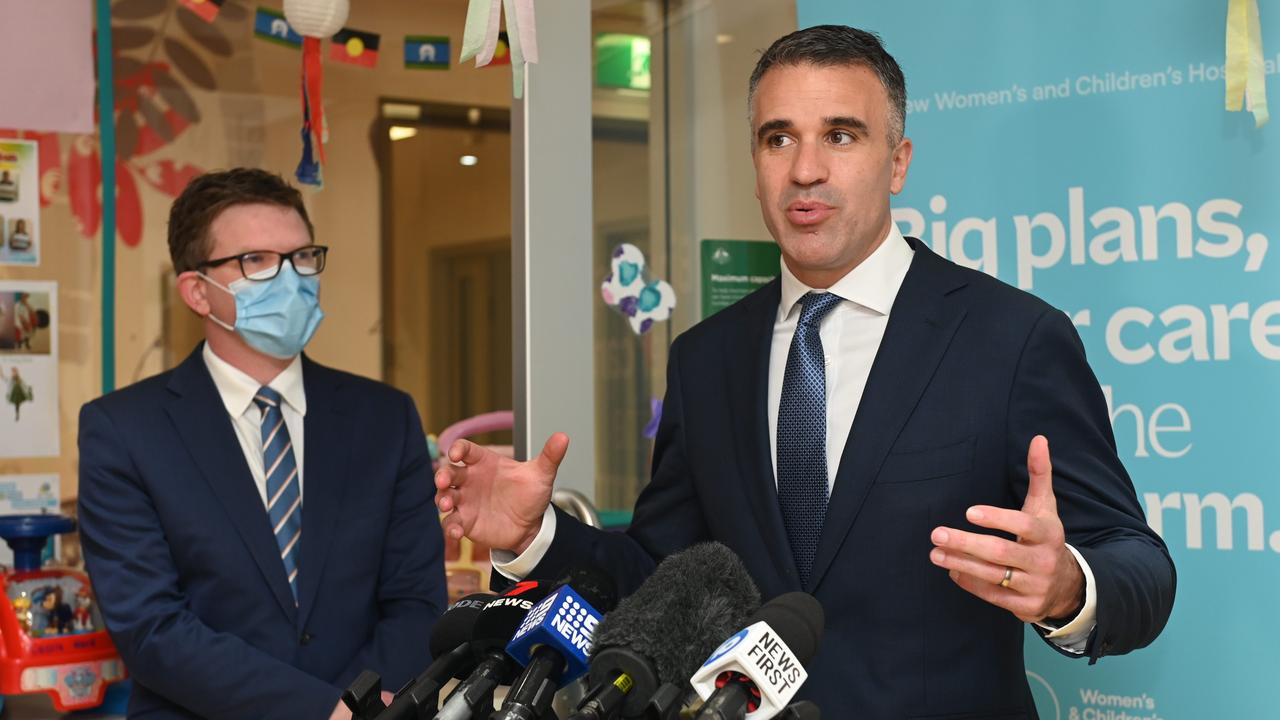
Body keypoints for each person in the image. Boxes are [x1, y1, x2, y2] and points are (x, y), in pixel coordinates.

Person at [435, 26, 1176, 718]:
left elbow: (1139, 563)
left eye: (840, 136)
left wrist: (1069, 586)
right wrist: (536, 536)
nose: (806, 170)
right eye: (777, 137)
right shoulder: (707, 357)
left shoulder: (1010, 339)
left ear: (898, 160)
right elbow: (661, 580)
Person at [78, 168, 447, 720]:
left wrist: (360, 706)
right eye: (256, 261)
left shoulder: (385, 419)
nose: (290, 278)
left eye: (301, 257)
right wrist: (321, 710)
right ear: (198, 292)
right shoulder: (125, 430)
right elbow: (153, 628)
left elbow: (415, 601)